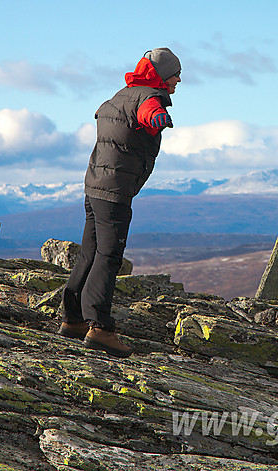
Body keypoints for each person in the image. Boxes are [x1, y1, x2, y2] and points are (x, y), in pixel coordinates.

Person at [58, 48, 181, 358]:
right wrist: (160, 118)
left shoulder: (121, 95)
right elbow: (149, 115)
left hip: (94, 185)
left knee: (90, 251)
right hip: (114, 191)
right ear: (161, 77)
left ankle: (73, 319)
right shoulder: (147, 99)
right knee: (109, 256)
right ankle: (99, 327)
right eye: (175, 74)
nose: (179, 80)